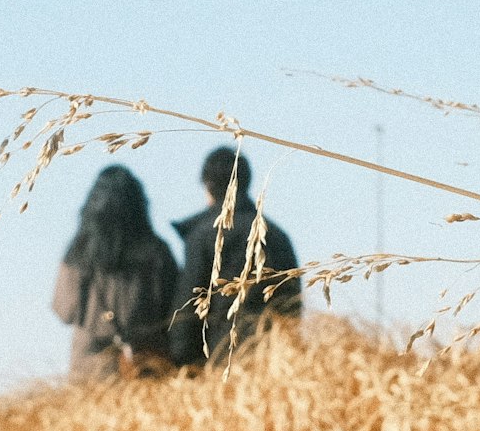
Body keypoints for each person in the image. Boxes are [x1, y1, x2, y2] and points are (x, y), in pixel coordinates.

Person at [174, 147, 303, 368]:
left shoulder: (203, 236)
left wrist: (181, 360)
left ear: (208, 186)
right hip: (272, 360)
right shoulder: (277, 236)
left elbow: (189, 306)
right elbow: (292, 303)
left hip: (218, 358)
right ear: (247, 182)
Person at [52, 163, 181, 380]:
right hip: (144, 364)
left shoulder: (79, 252)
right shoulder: (157, 251)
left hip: (89, 367)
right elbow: (173, 309)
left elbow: (63, 310)